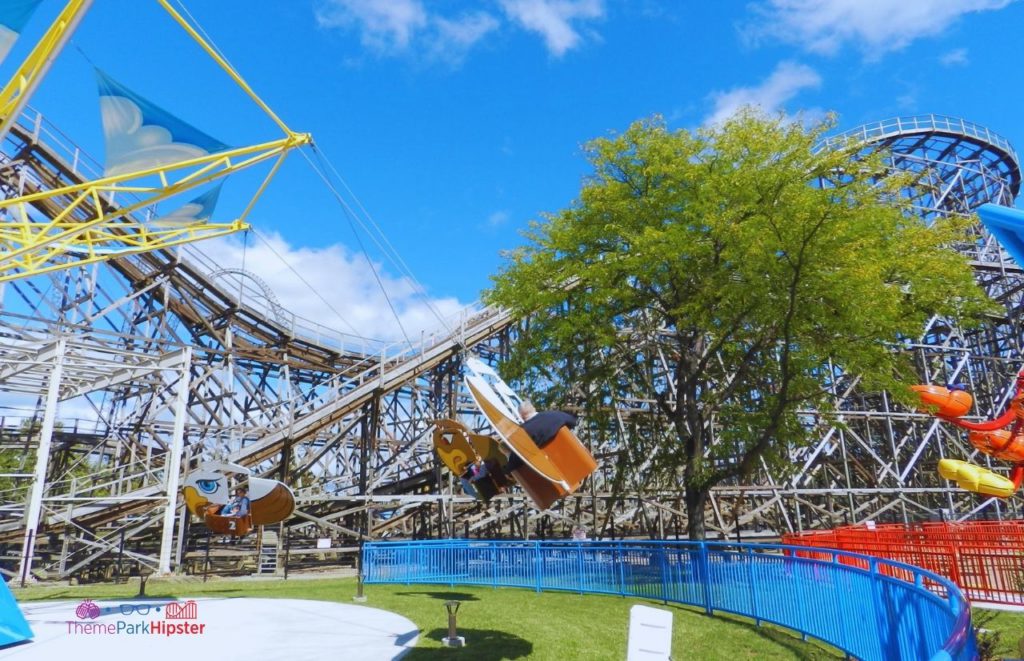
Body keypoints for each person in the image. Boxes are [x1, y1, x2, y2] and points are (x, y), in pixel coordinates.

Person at [507, 400, 577, 470]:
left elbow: (513, 462)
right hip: (573, 461)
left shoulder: (521, 433)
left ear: (521, 416)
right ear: (534, 409)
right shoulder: (555, 415)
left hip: (545, 471)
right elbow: (573, 421)